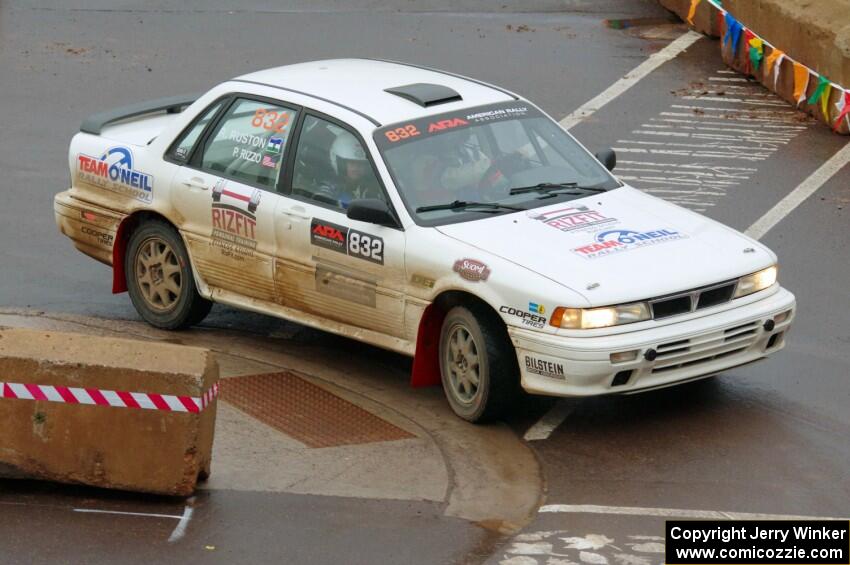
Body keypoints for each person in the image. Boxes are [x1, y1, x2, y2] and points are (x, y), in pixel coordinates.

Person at [320, 132, 383, 208]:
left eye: (361, 163)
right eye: (352, 162)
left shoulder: (373, 189)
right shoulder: (329, 189)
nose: (356, 167)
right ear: (340, 163)